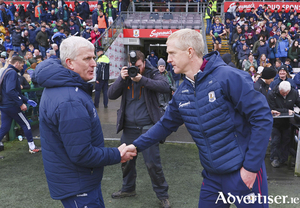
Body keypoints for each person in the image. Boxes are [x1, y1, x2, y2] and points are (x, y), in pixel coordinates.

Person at [126, 29, 273, 207]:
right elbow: (164, 125)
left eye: (172, 53)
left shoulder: (229, 77)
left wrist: (250, 168)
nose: (168, 59)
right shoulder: (182, 92)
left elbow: (262, 118)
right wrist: (135, 146)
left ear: (190, 52)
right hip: (212, 177)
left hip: (242, 171)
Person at [35, 36, 136, 207]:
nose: (94, 63)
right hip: (78, 186)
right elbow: (81, 153)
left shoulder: (64, 88)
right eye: (87, 59)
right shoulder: (69, 100)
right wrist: (117, 154)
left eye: (93, 58)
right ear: (70, 63)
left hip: (78, 181)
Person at [108, 50, 171, 208]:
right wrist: (120, 80)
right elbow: (111, 95)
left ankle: (163, 195)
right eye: (132, 66)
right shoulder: (126, 75)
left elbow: (165, 86)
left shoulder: (151, 73)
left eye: (138, 66)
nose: (135, 69)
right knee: (126, 161)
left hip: (148, 127)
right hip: (129, 127)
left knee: (152, 163)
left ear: (144, 63)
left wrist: (141, 79)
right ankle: (128, 189)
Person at [0, 56, 41, 154]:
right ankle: (32, 147)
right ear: (17, 63)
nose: (23, 67)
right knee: (26, 124)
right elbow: (10, 91)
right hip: (12, 105)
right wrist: (21, 103)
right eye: (22, 65)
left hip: (4, 105)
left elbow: (11, 91)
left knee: (5, 127)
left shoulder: (6, 71)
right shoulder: (12, 73)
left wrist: (26, 100)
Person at [267, 81, 300, 168]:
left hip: (288, 121)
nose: (285, 94)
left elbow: (298, 102)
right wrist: (286, 111)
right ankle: (274, 158)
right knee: (275, 141)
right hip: (276, 122)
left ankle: (283, 159)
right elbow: (272, 108)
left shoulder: (294, 93)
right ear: (279, 89)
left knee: (286, 140)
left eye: (286, 92)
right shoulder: (272, 94)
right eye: (283, 92)